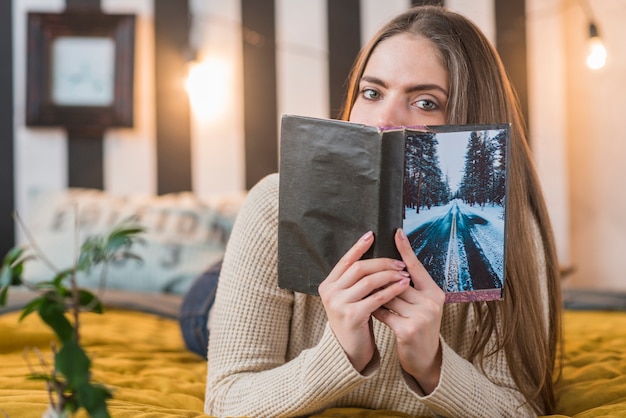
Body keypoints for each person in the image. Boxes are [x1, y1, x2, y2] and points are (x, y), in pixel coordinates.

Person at [203, 4, 562, 417]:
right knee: (202, 308)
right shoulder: (272, 203)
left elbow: (522, 408)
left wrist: (431, 364)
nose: (385, 118)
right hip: (214, 296)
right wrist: (342, 353)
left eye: (426, 102)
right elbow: (227, 400)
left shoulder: (513, 231)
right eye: (372, 92)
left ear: (471, 120)